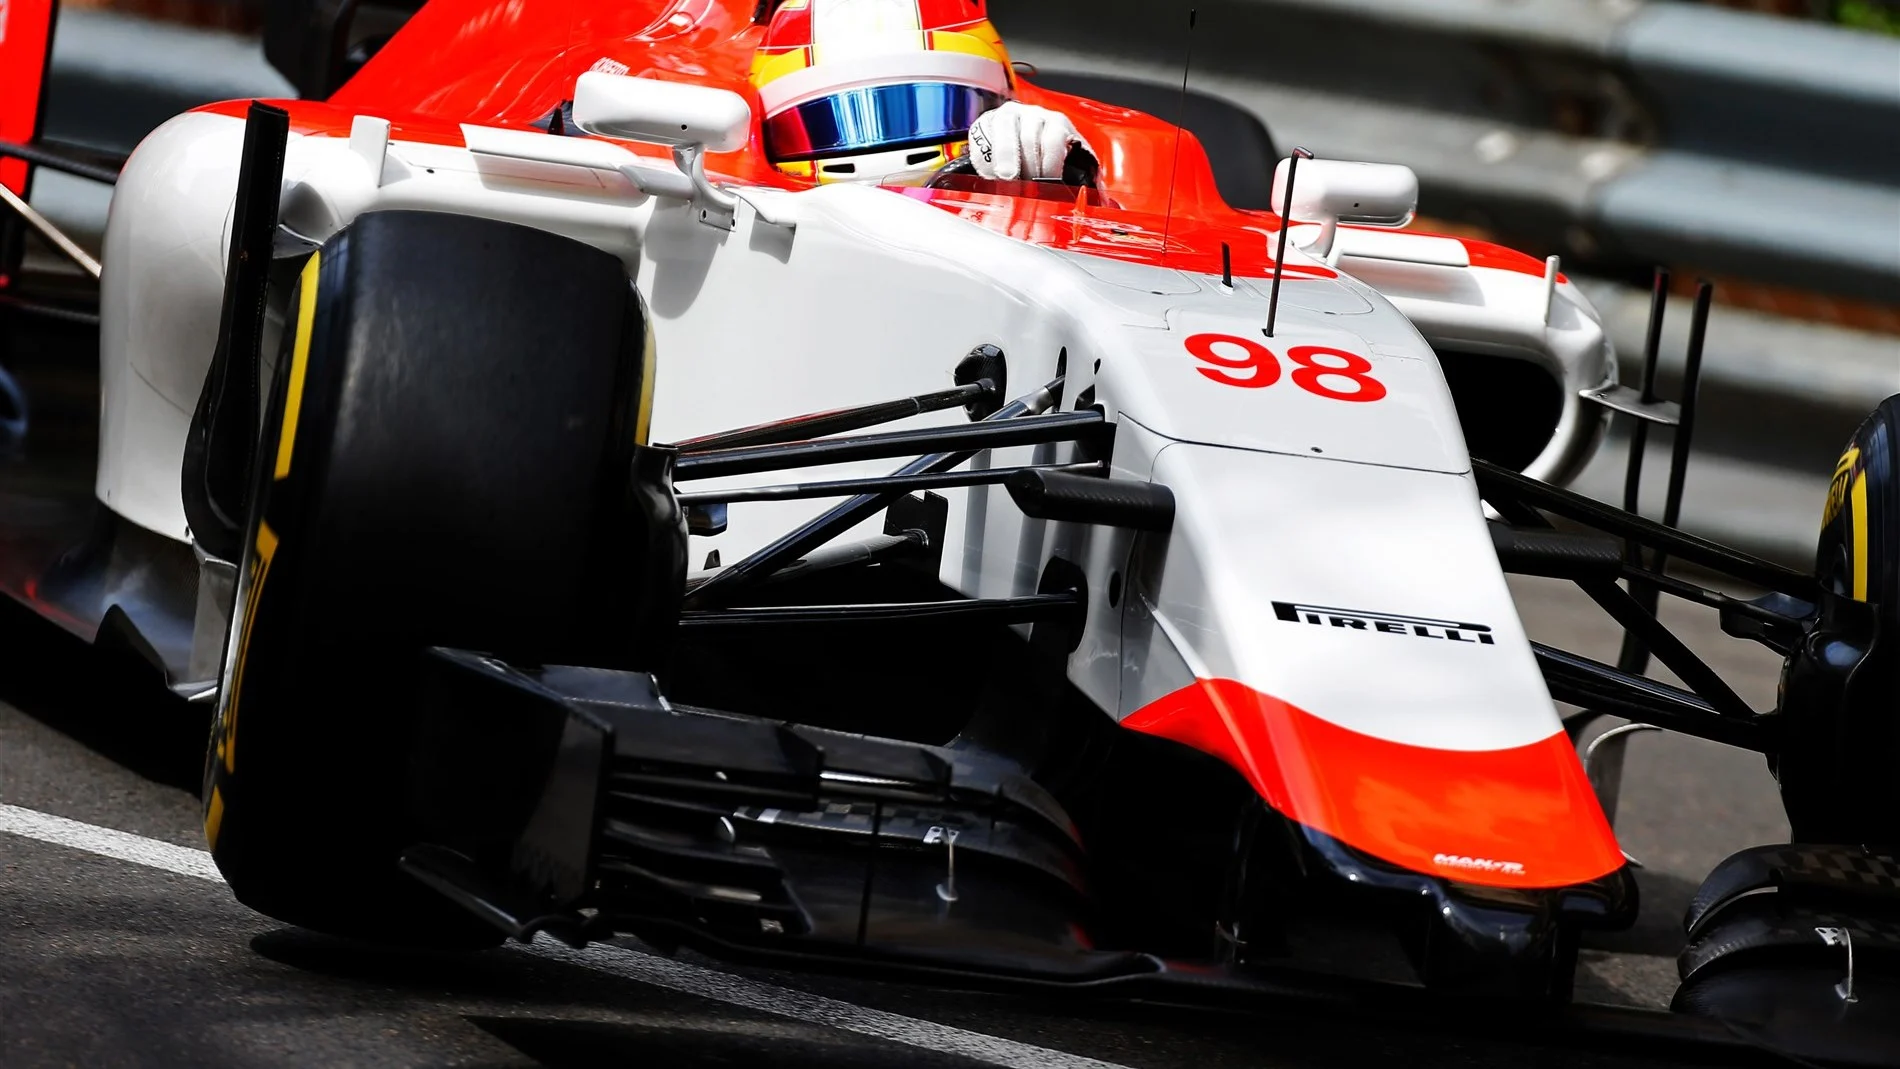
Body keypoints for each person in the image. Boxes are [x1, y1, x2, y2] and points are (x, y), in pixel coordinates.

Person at [749, 0, 1096, 185]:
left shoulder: (1030, 145)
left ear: (1002, 100)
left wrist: (1063, 180)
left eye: (923, 106)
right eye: (829, 119)